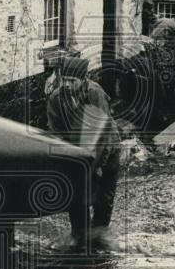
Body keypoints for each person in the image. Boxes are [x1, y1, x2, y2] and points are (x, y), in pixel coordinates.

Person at [45, 55, 120, 242]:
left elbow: (102, 132)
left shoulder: (94, 93)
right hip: (77, 150)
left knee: (104, 197)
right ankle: (79, 236)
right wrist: (67, 161)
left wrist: (98, 166)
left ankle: (99, 237)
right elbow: (56, 132)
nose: (68, 85)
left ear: (84, 79)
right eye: (65, 80)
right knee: (77, 195)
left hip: (107, 148)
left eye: (73, 81)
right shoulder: (56, 98)